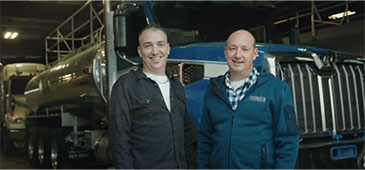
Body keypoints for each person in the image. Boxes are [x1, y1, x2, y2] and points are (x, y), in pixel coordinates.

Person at [197, 29, 299, 169]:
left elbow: (288, 141)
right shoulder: (213, 90)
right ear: (226, 52)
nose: (238, 55)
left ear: (254, 54)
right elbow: (205, 140)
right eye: (233, 49)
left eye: (245, 49)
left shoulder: (276, 89)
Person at [109, 24, 196, 169]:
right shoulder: (126, 86)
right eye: (148, 46)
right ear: (140, 51)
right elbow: (119, 141)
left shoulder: (177, 88)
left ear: (168, 49)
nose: (155, 51)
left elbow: (186, 136)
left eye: (160, 44)